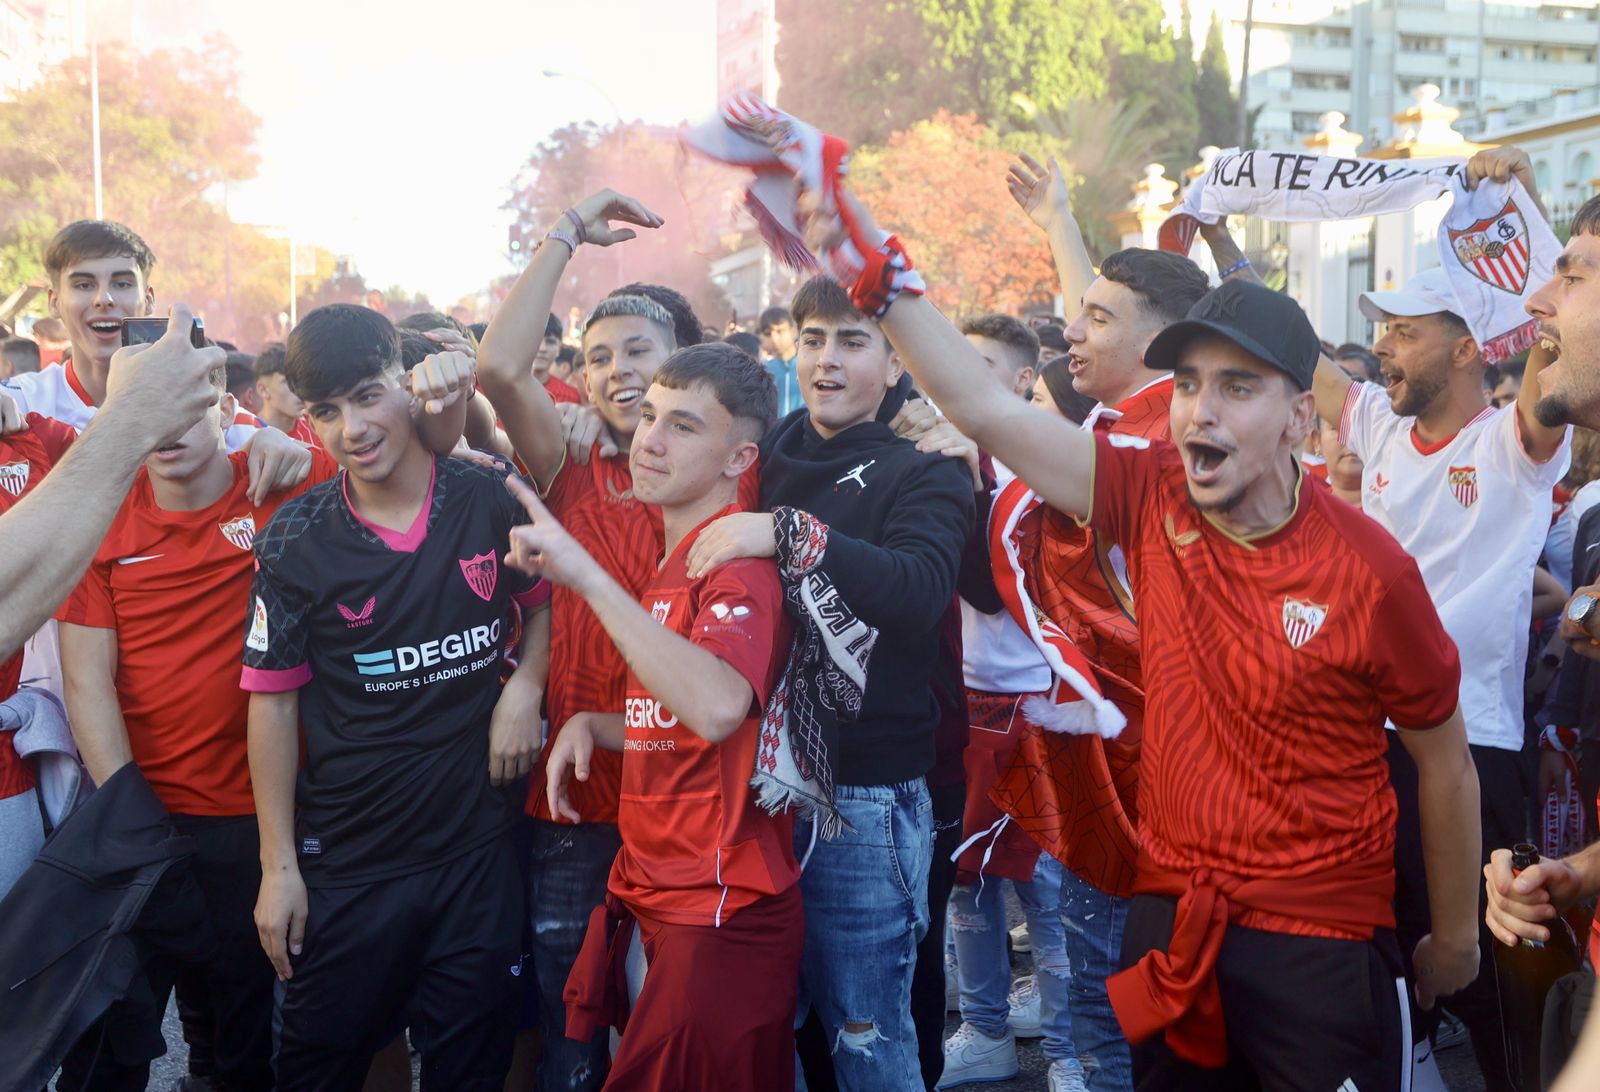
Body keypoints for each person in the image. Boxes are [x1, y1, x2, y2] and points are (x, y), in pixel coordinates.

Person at [830, 181, 1481, 1090]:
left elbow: (1443, 760)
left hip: (1319, 945)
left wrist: (1455, 937)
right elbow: (987, 410)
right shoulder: (1148, 494)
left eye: (1238, 387)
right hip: (1170, 923)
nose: (1198, 412)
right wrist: (869, 260)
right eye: (1186, 385)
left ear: (1302, 418)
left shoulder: (1370, 571)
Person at [242, 303, 551, 1090]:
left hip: (476, 850)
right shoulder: (293, 537)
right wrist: (279, 868)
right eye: (326, 411)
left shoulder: (488, 497)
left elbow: (548, 605)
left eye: (368, 395)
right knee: (315, 1071)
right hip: (349, 860)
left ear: (407, 385)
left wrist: (527, 686)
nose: (352, 428)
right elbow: (272, 703)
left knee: (471, 1067)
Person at [686, 271, 975, 1090]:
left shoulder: (925, 463)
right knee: (788, 1036)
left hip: (865, 798)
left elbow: (920, 594)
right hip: (762, 787)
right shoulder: (775, 444)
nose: (827, 359)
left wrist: (788, 533)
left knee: (868, 1039)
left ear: (895, 364)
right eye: (813, 339)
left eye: (853, 341)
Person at [1309, 249, 1569, 1086]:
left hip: (1472, 749)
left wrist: (1522, 220)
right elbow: (1286, 350)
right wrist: (1219, 245)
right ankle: (1414, 1066)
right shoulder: (1378, 426)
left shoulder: (1512, 443)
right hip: (1366, 740)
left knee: (1495, 976)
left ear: (1465, 350)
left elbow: (1557, 358)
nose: (1382, 346)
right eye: (1382, 329)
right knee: (1386, 949)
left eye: (1404, 332)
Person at [512, 342, 801, 1089]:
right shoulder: (679, 562)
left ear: (741, 459)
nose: (651, 440)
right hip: (656, 887)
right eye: (647, 419)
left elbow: (713, 706)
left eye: (682, 426)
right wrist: (595, 726)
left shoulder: (736, 565)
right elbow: (683, 710)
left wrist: (585, 575)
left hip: (720, 904)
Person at [990, 152, 1212, 1091]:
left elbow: (977, 409)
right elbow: (1116, 314)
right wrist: (1057, 220)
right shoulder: (1132, 417)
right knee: (1090, 983)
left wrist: (890, 288)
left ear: (1160, 346)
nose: (1069, 332)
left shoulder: (1163, 441)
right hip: (1104, 751)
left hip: (1149, 773)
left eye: (1096, 321)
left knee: (1114, 995)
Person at [477, 188, 704, 1092]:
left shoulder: (739, 460)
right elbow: (498, 369)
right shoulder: (569, 462)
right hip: (577, 782)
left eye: (638, 353)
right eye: (597, 357)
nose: (614, 371)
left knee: (680, 998)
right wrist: (565, 232)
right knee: (570, 986)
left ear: (683, 363)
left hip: (692, 774)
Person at [935, 312, 1091, 1092]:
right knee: (970, 883)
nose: (958, 383)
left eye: (982, 368)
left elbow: (996, 592)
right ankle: (987, 1028)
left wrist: (969, 475)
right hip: (963, 700)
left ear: (1026, 379)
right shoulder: (939, 457)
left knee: (1051, 894)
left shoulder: (1048, 472)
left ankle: (1068, 1050)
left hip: (1042, 702)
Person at [251, 342, 320, 446]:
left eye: (300, 380)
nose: (299, 389)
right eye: (287, 382)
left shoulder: (317, 432)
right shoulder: (245, 434)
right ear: (263, 390)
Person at [758, 304, 801, 416]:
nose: (774, 338)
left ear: (794, 331)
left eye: (780, 331)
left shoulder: (809, 366)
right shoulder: (763, 370)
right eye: (768, 333)